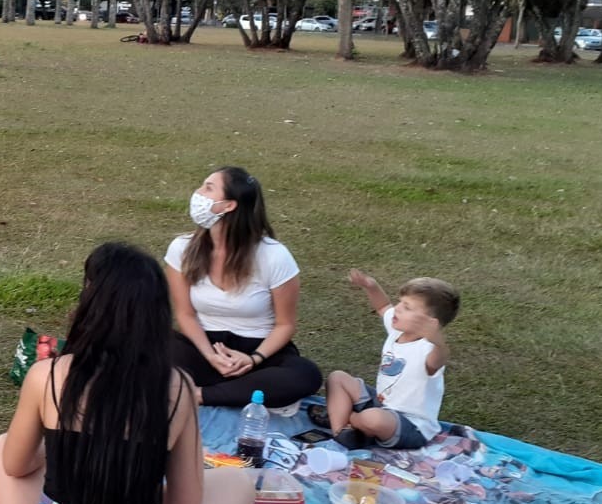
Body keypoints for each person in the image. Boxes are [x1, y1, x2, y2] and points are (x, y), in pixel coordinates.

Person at [0, 242, 254, 504]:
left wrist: (64, 456)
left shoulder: (47, 376)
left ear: (88, 301)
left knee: (1, 447)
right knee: (237, 482)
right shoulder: (177, 388)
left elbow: (16, 467)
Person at [164, 166, 322, 410]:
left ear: (229, 205)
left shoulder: (274, 255)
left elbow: (285, 324)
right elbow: (185, 314)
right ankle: (231, 392)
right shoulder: (181, 248)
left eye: (208, 188)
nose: (198, 193)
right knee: (146, 343)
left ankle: (200, 394)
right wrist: (210, 356)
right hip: (202, 347)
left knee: (305, 374)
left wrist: (253, 358)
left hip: (258, 353)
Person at [324, 270, 460, 449]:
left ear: (430, 322)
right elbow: (383, 307)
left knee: (373, 418)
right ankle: (343, 433)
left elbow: (439, 359)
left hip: (411, 426)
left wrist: (437, 340)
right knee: (337, 378)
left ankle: (350, 419)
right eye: (401, 302)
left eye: (407, 307)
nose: (397, 308)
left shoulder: (428, 349)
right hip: (383, 404)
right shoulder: (398, 330)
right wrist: (370, 286)